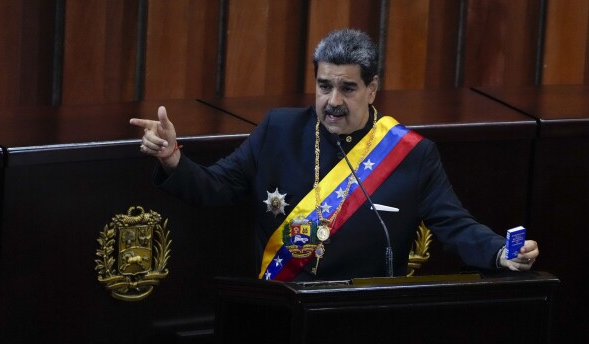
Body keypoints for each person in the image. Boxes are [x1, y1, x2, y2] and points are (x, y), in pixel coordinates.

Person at [131, 29, 539, 281]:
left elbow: (454, 224)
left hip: (364, 315)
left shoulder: (411, 155)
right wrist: (172, 157)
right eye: (324, 86)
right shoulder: (280, 130)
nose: (333, 101)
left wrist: (500, 252)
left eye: (348, 88)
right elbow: (216, 187)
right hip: (284, 303)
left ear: (372, 89)